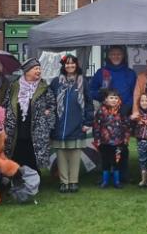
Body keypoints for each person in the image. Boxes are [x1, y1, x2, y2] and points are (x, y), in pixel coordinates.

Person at [49, 55, 93, 193]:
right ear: (64, 66)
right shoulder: (56, 82)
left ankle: (74, 181)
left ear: (76, 65)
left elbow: (89, 103)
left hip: (77, 123)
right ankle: (64, 182)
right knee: (61, 154)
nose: (70, 66)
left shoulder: (82, 82)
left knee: (74, 154)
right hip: (60, 124)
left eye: (72, 64)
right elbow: (50, 100)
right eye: (67, 64)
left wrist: (88, 121)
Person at [4, 58, 56, 174]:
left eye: (39, 68)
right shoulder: (14, 87)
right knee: (16, 155)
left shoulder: (44, 88)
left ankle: (34, 182)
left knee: (33, 156)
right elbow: (6, 104)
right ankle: (15, 180)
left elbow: (52, 106)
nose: (38, 71)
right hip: (16, 130)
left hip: (37, 131)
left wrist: (48, 121)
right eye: (35, 69)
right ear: (27, 71)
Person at [94, 89, 131, 189]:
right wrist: (97, 139)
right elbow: (97, 126)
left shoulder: (122, 110)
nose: (114, 100)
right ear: (106, 99)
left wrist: (126, 139)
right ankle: (105, 181)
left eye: (116, 98)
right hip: (104, 142)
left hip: (118, 142)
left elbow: (127, 126)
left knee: (117, 162)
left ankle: (117, 181)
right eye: (111, 98)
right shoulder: (101, 110)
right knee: (105, 161)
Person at [89, 45, 138, 115]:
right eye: (113, 54)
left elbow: (135, 93)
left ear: (123, 56)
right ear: (108, 56)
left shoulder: (130, 73)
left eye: (119, 54)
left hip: (126, 111)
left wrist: (127, 106)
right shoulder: (101, 72)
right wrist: (102, 96)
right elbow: (91, 91)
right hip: (105, 113)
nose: (116, 57)